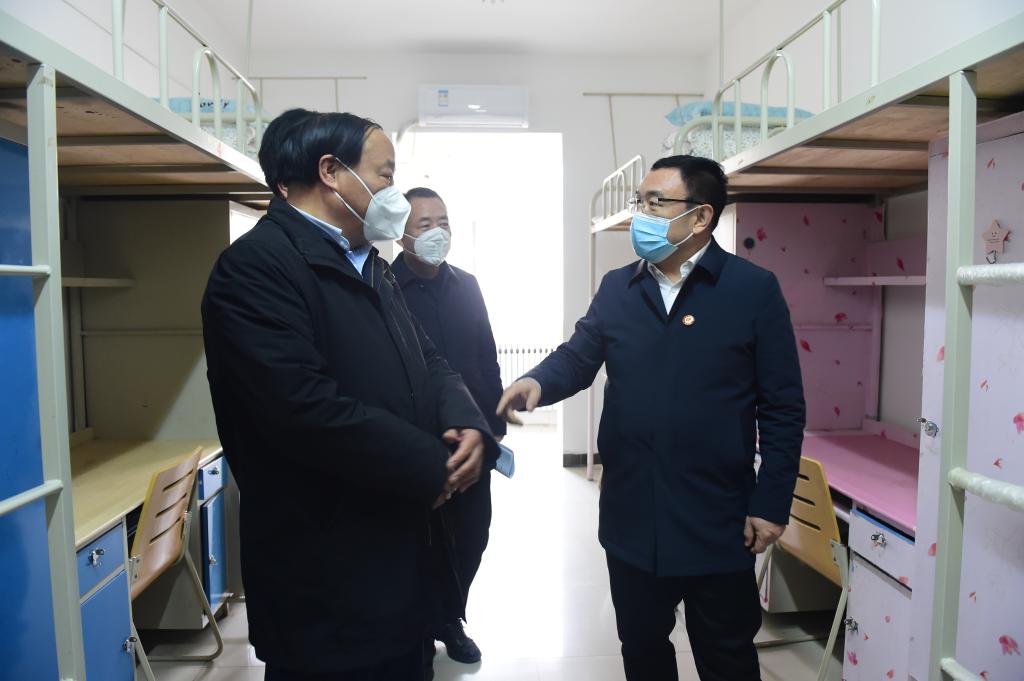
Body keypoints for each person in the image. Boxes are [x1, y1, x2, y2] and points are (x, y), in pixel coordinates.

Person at [201, 108, 498, 681]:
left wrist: (466, 418)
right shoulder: (256, 270)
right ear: (332, 172)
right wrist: (430, 465)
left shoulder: (369, 265)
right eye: (385, 175)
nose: (393, 191)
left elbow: (429, 360)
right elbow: (303, 410)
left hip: (399, 562)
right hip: (325, 578)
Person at [497, 155, 806, 681]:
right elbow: (578, 356)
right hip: (632, 514)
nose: (640, 214)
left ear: (701, 216)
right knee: (642, 650)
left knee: (727, 656)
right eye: (638, 202)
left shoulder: (752, 290)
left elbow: (782, 407)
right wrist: (537, 383)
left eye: (655, 203)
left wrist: (771, 503)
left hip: (717, 518)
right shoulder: (619, 287)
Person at [390, 187, 506, 669]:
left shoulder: (468, 285)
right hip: (418, 444)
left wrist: (495, 426)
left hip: (474, 440)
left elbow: (486, 355)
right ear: (401, 235)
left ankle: (449, 618)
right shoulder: (383, 289)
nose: (438, 232)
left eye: (444, 223)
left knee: (472, 535)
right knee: (421, 543)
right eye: (425, 224)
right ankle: (421, 627)